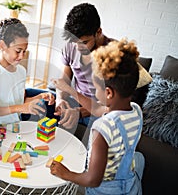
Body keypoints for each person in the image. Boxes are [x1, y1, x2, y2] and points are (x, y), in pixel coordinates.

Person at [50, 39, 145, 195]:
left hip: (105, 191)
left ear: (108, 92)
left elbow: (93, 180)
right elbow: (98, 109)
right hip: (129, 184)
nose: (93, 92)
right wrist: (70, 90)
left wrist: (65, 173)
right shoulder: (135, 110)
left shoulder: (102, 128)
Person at [0, 18, 55, 127]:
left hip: (15, 126)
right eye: (18, 51)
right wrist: (19, 108)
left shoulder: (21, 71)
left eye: (24, 51)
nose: (22, 56)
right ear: (2, 45)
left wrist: (40, 96)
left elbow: (21, 101)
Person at [54, 3, 114, 131]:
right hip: (75, 102)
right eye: (74, 42)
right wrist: (60, 99)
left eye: (84, 42)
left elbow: (110, 106)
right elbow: (64, 81)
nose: (77, 47)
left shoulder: (115, 54)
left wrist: (79, 112)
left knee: (108, 125)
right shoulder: (71, 46)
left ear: (98, 32)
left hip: (99, 112)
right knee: (39, 101)